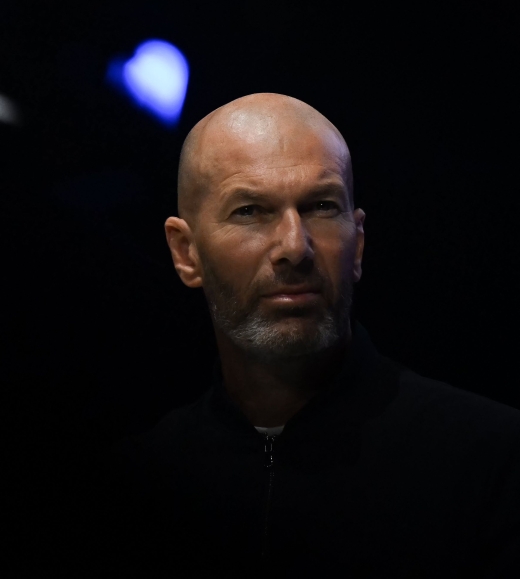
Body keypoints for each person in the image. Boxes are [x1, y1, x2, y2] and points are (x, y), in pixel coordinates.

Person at [101, 93, 520, 577]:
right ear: (186, 252)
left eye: (321, 206)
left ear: (357, 244)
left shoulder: (489, 460)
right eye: (249, 211)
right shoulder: (137, 484)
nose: (295, 247)